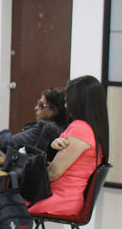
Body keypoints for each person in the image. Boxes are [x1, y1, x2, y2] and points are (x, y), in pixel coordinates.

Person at [28, 75, 109, 217]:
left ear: (79, 102)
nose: (65, 106)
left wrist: (23, 179)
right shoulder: (94, 129)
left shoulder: (80, 129)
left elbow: (54, 173)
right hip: (69, 199)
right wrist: (53, 146)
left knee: (2, 200)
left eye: (67, 101)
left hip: (58, 198)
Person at [0, 87, 67, 160]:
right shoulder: (65, 128)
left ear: (53, 110)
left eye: (41, 105)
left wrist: (4, 132)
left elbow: (9, 143)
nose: (36, 107)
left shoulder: (44, 129)